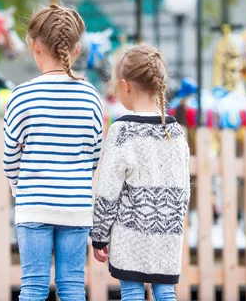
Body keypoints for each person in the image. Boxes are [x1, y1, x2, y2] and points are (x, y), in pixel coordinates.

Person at [3, 4, 103, 300]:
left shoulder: (21, 96)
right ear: (76, 50)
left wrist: (19, 187)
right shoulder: (91, 97)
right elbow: (94, 154)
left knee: (33, 285)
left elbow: (10, 157)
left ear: (34, 46)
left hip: (33, 203)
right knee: (72, 284)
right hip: (76, 206)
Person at [90, 45, 190, 301]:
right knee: (165, 292)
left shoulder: (123, 131)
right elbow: (184, 190)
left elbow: (108, 190)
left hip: (130, 234)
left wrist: (99, 235)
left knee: (132, 292)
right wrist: (173, 226)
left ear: (126, 85)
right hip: (167, 233)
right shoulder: (176, 133)